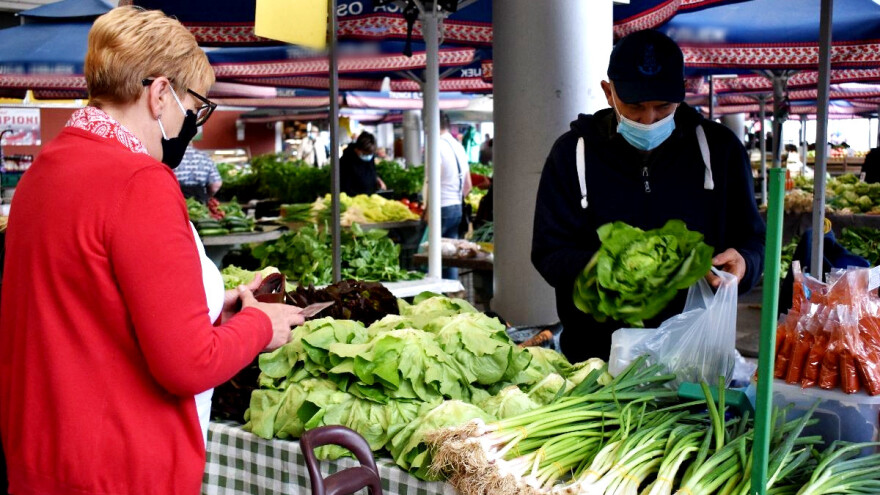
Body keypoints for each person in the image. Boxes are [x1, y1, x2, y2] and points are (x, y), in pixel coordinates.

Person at [0, 7, 305, 495]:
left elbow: (89, 310)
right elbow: (188, 366)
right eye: (193, 103)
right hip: (120, 466)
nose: (193, 121)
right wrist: (259, 325)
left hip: (41, 457)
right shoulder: (140, 181)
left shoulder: (44, 171)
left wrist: (215, 310)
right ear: (160, 93)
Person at [531, 29, 765, 363]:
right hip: (594, 360)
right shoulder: (572, 153)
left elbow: (753, 241)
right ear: (609, 92)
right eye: (635, 106)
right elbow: (548, 252)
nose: (649, 119)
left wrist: (746, 263)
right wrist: (616, 270)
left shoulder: (721, 151)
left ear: (682, 94)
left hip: (696, 357)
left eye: (663, 106)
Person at [436, 112, 472, 279]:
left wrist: (428, 209)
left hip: (441, 207)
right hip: (457, 207)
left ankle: (431, 296)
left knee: (430, 256)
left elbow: (432, 182)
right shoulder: (458, 146)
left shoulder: (436, 146)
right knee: (450, 257)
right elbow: (468, 186)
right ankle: (453, 294)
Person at [340, 131, 385, 195]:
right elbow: (344, 186)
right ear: (358, 149)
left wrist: (377, 179)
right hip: (354, 200)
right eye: (364, 154)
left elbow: (372, 172)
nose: (368, 156)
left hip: (370, 198)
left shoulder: (370, 157)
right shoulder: (346, 161)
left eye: (370, 154)